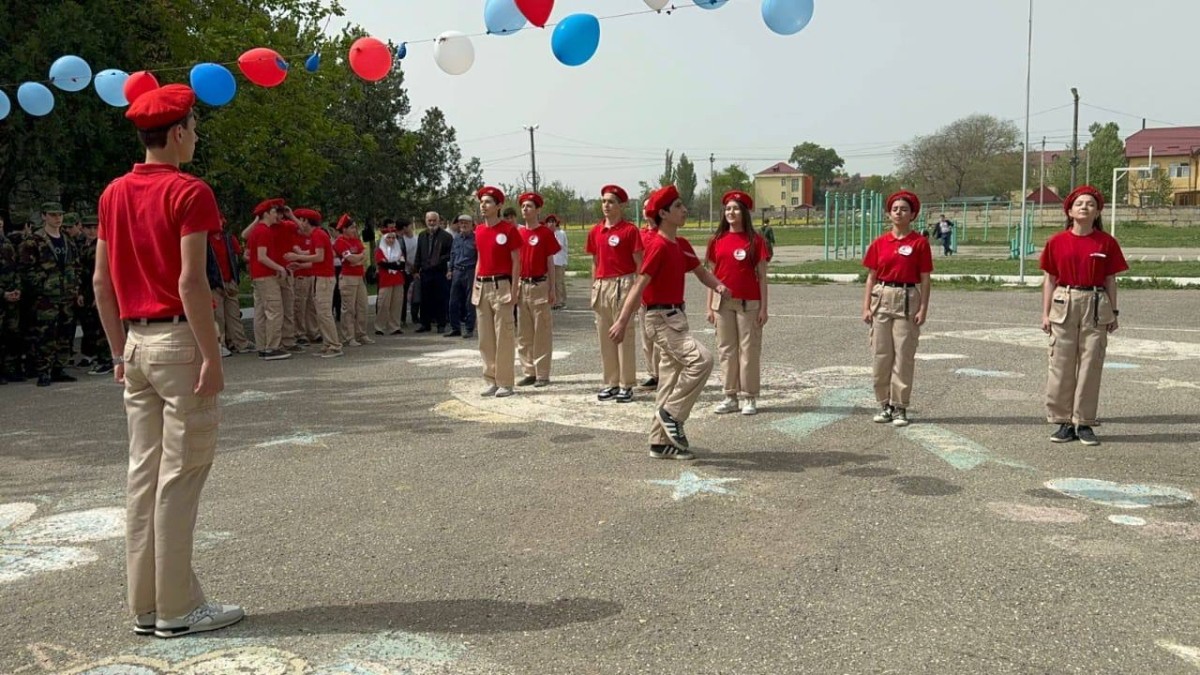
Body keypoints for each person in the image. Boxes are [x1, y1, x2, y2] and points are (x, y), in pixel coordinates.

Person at [93, 83, 243, 638]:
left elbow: (101, 284)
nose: (196, 137)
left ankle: (147, 606)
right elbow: (189, 281)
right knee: (180, 477)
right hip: (179, 344)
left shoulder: (112, 194)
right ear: (177, 132)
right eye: (195, 128)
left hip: (134, 343)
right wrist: (212, 355)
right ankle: (179, 608)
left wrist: (116, 350)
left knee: (143, 477)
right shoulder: (189, 191)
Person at [609, 185, 728, 460]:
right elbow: (640, 285)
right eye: (678, 207)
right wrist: (622, 320)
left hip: (676, 317)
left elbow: (701, 273)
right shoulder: (658, 246)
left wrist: (719, 286)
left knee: (669, 378)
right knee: (702, 360)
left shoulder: (681, 245)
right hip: (659, 318)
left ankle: (660, 442)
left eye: (683, 205)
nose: (685, 210)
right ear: (663, 213)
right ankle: (672, 414)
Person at [1040, 185, 1127, 446]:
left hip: (1095, 302)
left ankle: (1084, 421)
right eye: (1079, 203)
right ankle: (1063, 421)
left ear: (1098, 211)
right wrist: (1045, 314)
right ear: (1069, 210)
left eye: (1090, 204)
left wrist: (1113, 311)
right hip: (1064, 301)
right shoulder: (1056, 241)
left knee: (1091, 363)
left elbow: (1110, 279)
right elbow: (1049, 280)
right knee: (1061, 364)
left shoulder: (1106, 242)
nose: (1085, 207)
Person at [861, 190, 933, 428]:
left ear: (912, 214)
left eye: (904, 209)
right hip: (882, 297)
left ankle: (900, 406)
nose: (899, 213)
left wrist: (923, 308)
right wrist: (866, 307)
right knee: (881, 355)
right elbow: (871, 278)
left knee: (903, 355)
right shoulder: (880, 243)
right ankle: (884, 404)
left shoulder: (919, 243)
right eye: (895, 209)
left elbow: (925, 279)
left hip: (907, 298)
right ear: (888, 213)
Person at [705, 191, 770, 416]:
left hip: (749, 303)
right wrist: (709, 307)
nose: (731, 212)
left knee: (749, 350)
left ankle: (749, 396)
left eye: (736, 209)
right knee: (726, 350)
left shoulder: (756, 240)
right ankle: (729, 395)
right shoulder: (716, 240)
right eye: (728, 209)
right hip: (722, 303)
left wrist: (763, 307)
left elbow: (762, 276)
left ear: (744, 213)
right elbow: (711, 276)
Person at [586, 184, 643, 403]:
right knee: (604, 336)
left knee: (624, 334)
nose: (606, 206)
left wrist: (637, 292)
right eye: (604, 201)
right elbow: (595, 261)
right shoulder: (596, 231)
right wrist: (594, 286)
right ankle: (610, 381)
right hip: (602, 285)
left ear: (620, 206)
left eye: (611, 202)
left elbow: (639, 263)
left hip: (624, 284)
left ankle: (626, 384)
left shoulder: (629, 230)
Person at [18, 201, 84, 387]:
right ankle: (43, 370)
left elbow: (76, 265)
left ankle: (59, 367)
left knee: (65, 333)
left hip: (66, 295)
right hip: (46, 297)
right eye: (53, 215)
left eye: (60, 215)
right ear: (44, 216)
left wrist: (74, 286)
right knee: (45, 334)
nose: (58, 219)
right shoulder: (34, 241)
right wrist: (43, 284)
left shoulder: (67, 240)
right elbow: (26, 269)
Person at [472, 186, 521, 397]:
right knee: (486, 337)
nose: (483, 205)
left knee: (504, 336)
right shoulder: (479, 230)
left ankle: (505, 382)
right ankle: (490, 378)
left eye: (488, 202)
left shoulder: (508, 229)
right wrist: (475, 285)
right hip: (482, 285)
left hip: (502, 285)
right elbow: (480, 259)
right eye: (482, 202)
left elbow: (516, 261)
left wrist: (515, 288)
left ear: (498, 205)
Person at [516, 192, 561, 387]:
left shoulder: (544, 233)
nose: (525, 210)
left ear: (537, 210)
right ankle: (528, 371)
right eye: (523, 206)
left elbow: (550, 262)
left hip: (539, 284)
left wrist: (552, 288)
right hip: (522, 285)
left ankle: (542, 373)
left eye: (529, 206)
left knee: (541, 330)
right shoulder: (518, 233)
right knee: (524, 333)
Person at [291, 208, 342, 358]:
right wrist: (300, 264)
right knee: (320, 312)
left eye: (301, 220)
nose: (300, 223)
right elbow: (315, 257)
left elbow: (319, 257)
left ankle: (334, 345)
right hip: (320, 276)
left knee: (325, 313)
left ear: (307, 221)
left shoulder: (318, 234)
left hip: (325, 278)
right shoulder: (316, 235)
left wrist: (296, 255)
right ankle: (328, 343)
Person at [245, 199, 291, 361]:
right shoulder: (264, 231)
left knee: (260, 313)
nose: (276, 215)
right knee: (274, 311)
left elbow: (249, 252)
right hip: (266, 276)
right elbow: (262, 257)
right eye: (273, 212)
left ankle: (262, 346)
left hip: (258, 276)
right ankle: (272, 347)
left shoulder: (256, 231)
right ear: (266, 214)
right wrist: (279, 268)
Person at [208, 219, 251, 355]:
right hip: (214, 283)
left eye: (220, 220)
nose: (219, 223)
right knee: (218, 316)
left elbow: (235, 260)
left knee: (234, 314)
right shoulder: (205, 240)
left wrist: (235, 279)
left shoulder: (229, 239)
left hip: (229, 281)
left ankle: (239, 342)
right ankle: (220, 344)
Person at [334, 215, 372, 346]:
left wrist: (358, 259)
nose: (354, 230)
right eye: (351, 227)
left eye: (355, 227)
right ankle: (348, 337)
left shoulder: (356, 241)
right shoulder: (340, 242)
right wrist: (358, 258)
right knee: (349, 309)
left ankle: (361, 334)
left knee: (362, 307)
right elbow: (351, 259)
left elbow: (364, 256)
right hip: (348, 278)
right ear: (344, 229)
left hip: (359, 276)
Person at [413, 211, 453, 334]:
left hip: (439, 272)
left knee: (440, 298)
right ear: (426, 221)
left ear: (438, 221)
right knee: (425, 299)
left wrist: (439, 260)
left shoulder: (446, 236)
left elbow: (450, 254)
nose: (431, 223)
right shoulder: (421, 235)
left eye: (434, 220)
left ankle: (441, 324)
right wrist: (416, 269)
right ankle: (425, 324)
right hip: (425, 272)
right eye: (429, 220)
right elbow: (418, 253)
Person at [637, 200, 660, 391]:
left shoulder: (664, 232)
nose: (646, 210)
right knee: (646, 337)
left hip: (660, 291)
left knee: (662, 339)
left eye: (649, 206)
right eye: (644, 207)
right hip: (643, 291)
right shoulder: (640, 234)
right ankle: (652, 373)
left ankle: (663, 373)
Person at [446, 214, 477, 339]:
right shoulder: (456, 238)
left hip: (470, 270)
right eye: (461, 223)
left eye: (466, 223)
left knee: (470, 301)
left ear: (471, 225)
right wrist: (450, 269)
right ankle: (455, 328)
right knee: (453, 300)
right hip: (457, 271)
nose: (463, 225)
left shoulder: (475, 238)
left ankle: (469, 328)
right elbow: (452, 255)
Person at [374, 225, 406, 335]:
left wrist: (391, 264)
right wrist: (394, 264)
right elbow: (382, 264)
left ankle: (395, 326)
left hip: (398, 280)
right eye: (389, 238)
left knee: (397, 304)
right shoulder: (380, 250)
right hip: (386, 280)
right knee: (383, 304)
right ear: (384, 239)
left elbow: (401, 265)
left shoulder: (398, 250)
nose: (391, 240)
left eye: (393, 238)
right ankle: (379, 326)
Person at [0, 222, 20, 383]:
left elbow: (16, 269)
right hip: (2, 295)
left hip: (11, 297)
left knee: (11, 334)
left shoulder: (8, 245)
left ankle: (11, 369)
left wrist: (17, 289)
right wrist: (3, 294)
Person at [400, 220, 418, 327]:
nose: (404, 230)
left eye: (406, 227)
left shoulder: (416, 239)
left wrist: (416, 268)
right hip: (406, 269)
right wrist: (409, 265)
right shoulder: (402, 240)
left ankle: (415, 316)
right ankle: (402, 318)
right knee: (404, 295)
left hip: (416, 269)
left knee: (416, 295)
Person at [548, 215, 568, 310]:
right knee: (554, 282)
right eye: (549, 222)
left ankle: (560, 301)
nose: (551, 223)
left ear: (556, 223)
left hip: (559, 261)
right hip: (552, 261)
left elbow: (558, 246)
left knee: (558, 282)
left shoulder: (560, 233)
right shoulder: (549, 233)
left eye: (553, 221)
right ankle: (558, 300)